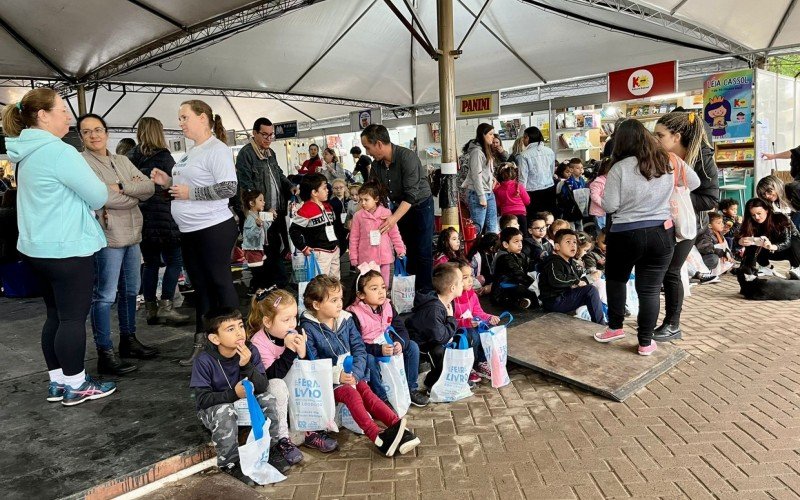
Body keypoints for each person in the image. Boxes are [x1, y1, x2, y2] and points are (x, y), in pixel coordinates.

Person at [4, 88, 115, 406]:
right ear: (43, 115)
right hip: (67, 249)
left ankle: (59, 382)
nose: (68, 116)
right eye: (62, 110)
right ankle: (77, 385)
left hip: (37, 250)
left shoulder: (25, 153)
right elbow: (98, 196)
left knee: (54, 316)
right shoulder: (59, 152)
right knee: (71, 319)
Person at [597, 119, 699, 355]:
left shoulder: (619, 168)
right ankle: (645, 342)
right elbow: (694, 182)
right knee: (650, 290)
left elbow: (610, 205)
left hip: (624, 234)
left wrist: (603, 199)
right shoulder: (667, 161)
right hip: (660, 233)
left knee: (616, 280)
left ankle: (615, 327)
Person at [150, 100, 239, 366]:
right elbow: (188, 185)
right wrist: (168, 182)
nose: (180, 123)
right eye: (179, 118)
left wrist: (191, 194)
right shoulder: (191, 153)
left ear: (203, 118)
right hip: (190, 230)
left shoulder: (217, 149)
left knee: (220, 285)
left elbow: (228, 188)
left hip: (213, 228)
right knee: (201, 289)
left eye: (184, 117)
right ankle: (204, 343)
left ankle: (234, 343)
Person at [299, 275, 420, 457]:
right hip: (328, 381)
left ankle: (397, 426)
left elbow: (359, 348)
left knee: (368, 394)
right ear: (316, 305)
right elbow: (312, 362)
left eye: (340, 298)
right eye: (333, 300)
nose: (340, 304)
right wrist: (337, 375)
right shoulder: (308, 328)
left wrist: (356, 372)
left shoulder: (346, 319)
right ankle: (377, 437)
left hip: (352, 374)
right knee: (351, 394)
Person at [79, 113, 157, 375]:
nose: (94, 135)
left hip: (133, 235)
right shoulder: (82, 163)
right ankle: (105, 352)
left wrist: (121, 186)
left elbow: (148, 187)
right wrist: (131, 195)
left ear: (106, 132)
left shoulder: (122, 160)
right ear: (81, 137)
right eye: (87, 131)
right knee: (104, 296)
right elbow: (100, 196)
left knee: (130, 292)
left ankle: (129, 340)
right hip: (108, 237)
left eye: (98, 129)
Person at [190, 307, 295, 484]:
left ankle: (271, 449)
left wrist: (246, 366)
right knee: (225, 411)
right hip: (219, 408)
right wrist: (233, 394)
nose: (239, 333)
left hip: (245, 403)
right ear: (215, 338)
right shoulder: (204, 360)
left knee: (269, 399)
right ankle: (230, 463)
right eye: (230, 329)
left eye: (240, 326)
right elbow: (202, 400)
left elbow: (263, 386)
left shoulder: (250, 350)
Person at [653, 111, 719, 342]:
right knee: (664, 272)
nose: (656, 139)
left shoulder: (701, 158)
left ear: (676, 136)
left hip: (687, 226)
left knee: (671, 272)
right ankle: (663, 322)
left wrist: (675, 198)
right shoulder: (663, 155)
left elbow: (711, 198)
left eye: (660, 135)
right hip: (664, 223)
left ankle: (672, 324)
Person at [128, 116, 189, 326]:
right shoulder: (164, 157)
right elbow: (174, 187)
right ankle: (167, 305)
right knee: (175, 262)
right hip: (164, 217)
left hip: (142, 218)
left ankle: (150, 308)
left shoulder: (130, 157)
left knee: (150, 264)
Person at [362, 124, 434, 292]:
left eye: (368, 147)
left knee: (422, 249)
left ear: (379, 144)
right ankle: (408, 290)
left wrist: (393, 219)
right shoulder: (376, 165)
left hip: (420, 205)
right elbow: (372, 191)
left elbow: (411, 195)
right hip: (399, 207)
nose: (367, 152)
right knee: (404, 249)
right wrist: (359, 215)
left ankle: (426, 292)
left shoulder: (407, 157)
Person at [347, 267, 429, 407]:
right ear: (360, 294)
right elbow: (356, 344)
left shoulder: (388, 305)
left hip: (389, 345)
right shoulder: (354, 314)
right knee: (369, 360)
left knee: (413, 347)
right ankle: (382, 398)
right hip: (369, 350)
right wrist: (378, 350)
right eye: (374, 288)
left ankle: (410, 388)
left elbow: (400, 328)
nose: (381, 292)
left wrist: (399, 343)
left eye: (383, 287)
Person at [246, 288, 313, 459]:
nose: (292, 324)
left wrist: (303, 353)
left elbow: (304, 369)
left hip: (292, 388)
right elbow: (272, 376)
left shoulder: (292, 332)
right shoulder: (258, 342)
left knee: (304, 379)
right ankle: (283, 439)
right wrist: (290, 351)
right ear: (267, 322)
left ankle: (310, 429)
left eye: (294, 317)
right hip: (270, 391)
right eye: (286, 319)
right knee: (279, 386)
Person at [235, 117, 297, 288]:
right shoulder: (246, 154)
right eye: (264, 135)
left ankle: (273, 284)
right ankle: (266, 286)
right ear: (254, 133)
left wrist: (290, 186)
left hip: (275, 212)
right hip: (260, 215)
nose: (268, 139)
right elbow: (247, 188)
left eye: (271, 135)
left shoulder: (271, 154)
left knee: (275, 248)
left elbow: (279, 174)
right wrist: (262, 207)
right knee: (262, 252)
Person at [405, 263, 462, 391]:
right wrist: (451, 319)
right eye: (461, 281)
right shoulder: (435, 309)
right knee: (438, 351)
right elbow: (440, 337)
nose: (464, 284)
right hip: (420, 344)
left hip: (432, 338)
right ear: (452, 288)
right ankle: (432, 383)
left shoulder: (445, 302)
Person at [538, 229, 604, 326]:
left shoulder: (571, 262)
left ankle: (599, 320)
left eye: (575, 242)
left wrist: (595, 271)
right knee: (590, 290)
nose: (573, 245)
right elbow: (556, 280)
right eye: (568, 242)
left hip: (564, 297)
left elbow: (582, 274)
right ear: (557, 246)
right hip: (554, 301)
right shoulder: (553, 262)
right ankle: (600, 325)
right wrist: (576, 282)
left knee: (594, 288)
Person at [349, 181, 406, 286]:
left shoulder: (387, 214)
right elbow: (354, 238)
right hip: (365, 259)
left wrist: (400, 249)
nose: (363, 203)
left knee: (384, 283)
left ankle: (383, 300)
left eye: (366, 200)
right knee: (367, 284)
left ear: (376, 199)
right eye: (361, 200)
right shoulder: (358, 216)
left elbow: (394, 234)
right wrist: (353, 256)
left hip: (384, 257)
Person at [453, 260, 499, 381]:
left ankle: (481, 363)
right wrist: (466, 323)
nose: (470, 280)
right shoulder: (451, 297)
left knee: (486, 329)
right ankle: (469, 366)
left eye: (471, 276)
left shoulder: (471, 294)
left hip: (470, 326)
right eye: (465, 277)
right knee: (472, 333)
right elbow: (449, 321)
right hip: (457, 332)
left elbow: (478, 312)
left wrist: (489, 317)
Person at [289, 173, 340, 278]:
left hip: (334, 250)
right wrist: (303, 247)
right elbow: (294, 230)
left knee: (335, 281)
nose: (328, 190)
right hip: (319, 253)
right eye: (324, 188)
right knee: (321, 284)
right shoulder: (305, 210)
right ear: (314, 192)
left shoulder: (328, 206)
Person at [738, 198, 800, 279]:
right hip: (767, 251)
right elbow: (739, 237)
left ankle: (797, 268)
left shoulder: (780, 218)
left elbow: (787, 241)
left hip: (788, 250)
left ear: (766, 210)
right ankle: (761, 268)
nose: (757, 217)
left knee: (794, 240)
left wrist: (772, 246)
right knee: (751, 242)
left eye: (759, 213)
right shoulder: (750, 222)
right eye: (753, 215)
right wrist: (740, 241)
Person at [462, 123, 501, 235]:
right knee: (478, 227)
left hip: (488, 192)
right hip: (477, 193)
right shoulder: (476, 152)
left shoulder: (485, 150)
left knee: (493, 227)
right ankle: (474, 251)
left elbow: (483, 171)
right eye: (490, 134)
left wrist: (492, 178)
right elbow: (476, 175)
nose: (493, 137)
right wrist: (481, 196)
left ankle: (490, 250)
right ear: (483, 135)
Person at [491, 227, 538, 310]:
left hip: (515, 286)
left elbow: (530, 266)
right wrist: (535, 284)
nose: (520, 244)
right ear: (506, 244)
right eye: (516, 241)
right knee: (532, 293)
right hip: (502, 291)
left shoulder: (519, 254)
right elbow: (518, 274)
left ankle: (524, 301)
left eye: (521, 241)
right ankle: (521, 302)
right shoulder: (504, 258)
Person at [515, 126, 556, 218]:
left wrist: (521, 195)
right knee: (548, 218)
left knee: (534, 219)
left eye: (524, 138)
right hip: (549, 188)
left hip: (532, 192)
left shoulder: (524, 155)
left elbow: (523, 177)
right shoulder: (549, 151)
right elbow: (551, 171)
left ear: (527, 137)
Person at [493, 162, 530, 231]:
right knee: (524, 234)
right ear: (515, 175)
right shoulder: (519, 187)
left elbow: (497, 204)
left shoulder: (497, 190)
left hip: (507, 217)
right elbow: (527, 201)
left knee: (508, 235)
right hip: (521, 213)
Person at [241, 190, 271, 266]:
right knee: (258, 270)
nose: (264, 202)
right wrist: (257, 226)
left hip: (257, 248)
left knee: (259, 269)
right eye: (260, 200)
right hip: (252, 250)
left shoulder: (257, 215)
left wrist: (270, 218)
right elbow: (250, 235)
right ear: (251, 203)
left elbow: (265, 227)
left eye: (263, 200)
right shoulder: (250, 218)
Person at [589, 158, 611, 231]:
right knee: (601, 233)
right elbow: (594, 196)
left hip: (606, 212)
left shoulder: (610, 180)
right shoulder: (599, 181)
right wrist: (604, 204)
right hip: (599, 213)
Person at [329, 178, 349, 250]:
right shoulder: (331, 202)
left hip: (350, 227)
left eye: (341, 187)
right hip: (338, 228)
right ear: (333, 190)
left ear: (345, 188)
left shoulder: (349, 200)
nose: (339, 190)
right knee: (342, 247)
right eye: (336, 188)